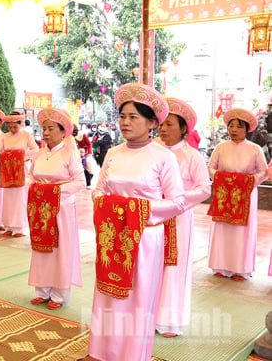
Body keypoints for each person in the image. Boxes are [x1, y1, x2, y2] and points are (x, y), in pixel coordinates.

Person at [87, 83, 185, 361]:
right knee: (107, 295)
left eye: (133, 117)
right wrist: (112, 208)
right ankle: (100, 352)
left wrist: (137, 212)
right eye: (122, 116)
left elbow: (177, 202)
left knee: (137, 300)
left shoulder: (163, 157)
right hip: (112, 235)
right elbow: (98, 191)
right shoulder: (114, 153)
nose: (125, 123)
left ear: (153, 123)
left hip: (144, 238)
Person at [155, 98, 211, 338]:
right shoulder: (151, 152)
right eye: (161, 124)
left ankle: (169, 320)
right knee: (149, 264)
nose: (163, 129)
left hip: (178, 220)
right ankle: (146, 314)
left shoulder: (192, 157)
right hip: (150, 217)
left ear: (184, 128)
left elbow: (204, 189)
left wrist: (174, 200)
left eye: (170, 124)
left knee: (174, 268)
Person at [27, 108, 85, 310]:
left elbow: (80, 182)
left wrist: (54, 191)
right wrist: (35, 187)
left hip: (62, 208)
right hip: (41, 209)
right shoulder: (39, 153)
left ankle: (59, 294)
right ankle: (41, 290)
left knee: (60, 250)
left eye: (51, 129)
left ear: (63, 132)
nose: (46, 133)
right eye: (44, 129)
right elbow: (31, 176)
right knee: (41, 248)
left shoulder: (70, 154)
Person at [207, 108, 266, 281]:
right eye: (231, 126)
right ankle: (220, 266)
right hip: (224, 194)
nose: (233, 129)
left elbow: (263, 172)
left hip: (245, 195)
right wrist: (225, 180)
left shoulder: (255, 149)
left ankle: (241, 269)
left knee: (242, 232)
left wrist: (244, 183)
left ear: (246, 129)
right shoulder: (221, 147)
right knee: (222, 230)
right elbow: (211, 167)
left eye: (238, 127)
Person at [0, 111, 39, 237]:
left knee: (20, 198)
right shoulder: (4, 136)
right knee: (8, 199)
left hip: (21, 169)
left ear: (21, 124)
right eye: (10, 126)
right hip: (7, 170)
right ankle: (9, 225)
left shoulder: (26, 135)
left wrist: (19, 156)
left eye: (15, 126)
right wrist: (9, 157)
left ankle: (20, 228)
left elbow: (36, 150)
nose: (12, 129)